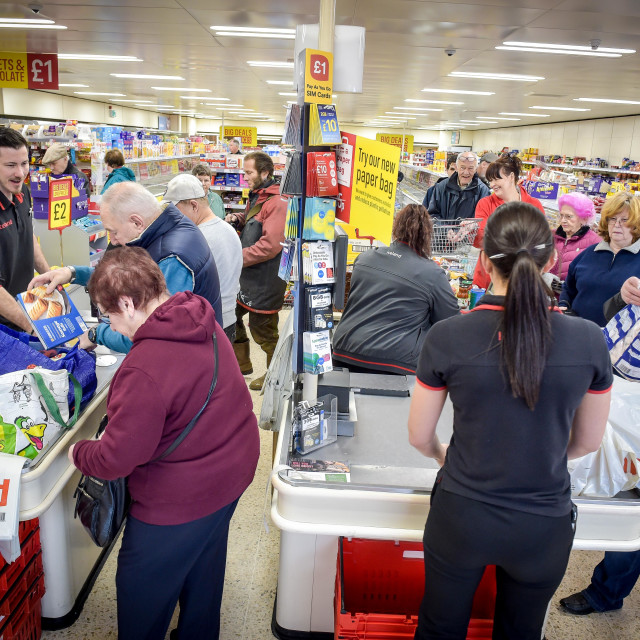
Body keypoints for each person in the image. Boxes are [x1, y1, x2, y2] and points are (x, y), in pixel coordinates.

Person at [408, 202, 612, 640]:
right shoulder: (590, 341)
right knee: (520, 631)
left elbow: (419, 435)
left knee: (440, 628)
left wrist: (445, 454)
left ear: (484, 259)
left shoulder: (448, 336)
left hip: (462, 513)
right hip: (543, 523)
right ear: (552, 259)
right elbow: (588, 442)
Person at [68, 246, 259, 640]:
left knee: (142, 588)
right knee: (204, 562)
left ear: (128, 303)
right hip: (234, 468)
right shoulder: (198, 313)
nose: (114, 327)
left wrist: (77, 451)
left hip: (182, 497)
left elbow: (116, 458)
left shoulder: (145, 366)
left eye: (110, 317)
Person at [29, 182, 222, 353]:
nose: (113, 240)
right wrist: (72, 273)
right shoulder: (169, 226)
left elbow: (147, 333)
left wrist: (96, 334)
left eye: (113, 232)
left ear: (137, 222)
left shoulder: (172, 258)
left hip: (189, 362)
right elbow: (127, 280)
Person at [559, 279, 640, 616]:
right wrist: (622, 298)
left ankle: (606, 593)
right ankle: (605, 591)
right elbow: (612, 320)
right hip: (624, 403)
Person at [332, 204, 459, 375]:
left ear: (396, 227)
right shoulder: (432, 273)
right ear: (427, 235)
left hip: (344, 351)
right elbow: (451, 322)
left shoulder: (364, 259)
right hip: (395, 362)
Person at [225, 151, 288, 390]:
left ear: (265, 173)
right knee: (230, 314)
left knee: (264, 332)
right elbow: (255, 219)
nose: (245, 177)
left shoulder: (278, 203)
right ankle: (241, 365)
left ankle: (275, 377)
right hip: (247, 277)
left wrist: (235, 258)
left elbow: (270, 246)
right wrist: (240, 219)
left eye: (249, 173)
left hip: (265, 279)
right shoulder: (260, 196)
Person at [165, 173, 242, 342]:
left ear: (194, 205)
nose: (172, 217)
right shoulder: (227, 229)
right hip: (228, 318)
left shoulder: (198, 238)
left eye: (175, 210)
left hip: (208, 323)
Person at [560, 191, 640, 326]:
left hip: (620, 342)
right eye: (612, 219)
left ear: (636, 224)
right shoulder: (589, 253)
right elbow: (568, 288)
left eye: (624, 220)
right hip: (578, 333)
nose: (617, 224)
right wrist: (564, 306)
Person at [0, 127, 50, 332]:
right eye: (10, 165)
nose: (20, 173)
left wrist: (49, 277)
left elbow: (28, 237)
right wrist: (31, 327)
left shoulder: (23, 193)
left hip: (26, 304)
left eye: (24, 163)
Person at [472, 155, 546, 289]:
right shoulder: (485, 204)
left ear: (511, 177)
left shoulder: (534, 205)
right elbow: (481, 239)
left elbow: (542, 242)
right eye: (490, 180)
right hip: (488, 276)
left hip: (523, 277)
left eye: (496, 179)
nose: (492, 184)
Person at [549, 192, 600, 282]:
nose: (563, 220)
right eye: (561, 215)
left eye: (569, 216)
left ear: (584, 218)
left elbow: (594, 277)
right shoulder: (550, 236)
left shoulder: (594, 243)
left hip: (571, 295)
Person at [427, 151, 490, 221]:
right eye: (462, 168)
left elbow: (484, 219)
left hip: (469, 232)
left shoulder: (483, 191)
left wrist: (470, 227)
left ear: (476, 169)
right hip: (443, 232)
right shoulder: (441, 187)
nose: (466, 172)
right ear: (456, 168)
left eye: (470, 168)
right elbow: (432, 215)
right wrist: (447, 229)